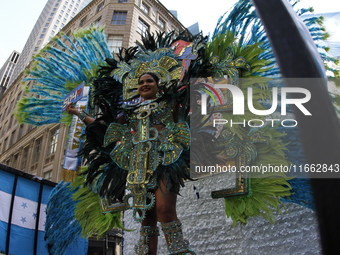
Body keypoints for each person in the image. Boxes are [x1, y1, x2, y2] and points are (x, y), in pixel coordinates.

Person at [69, 72, 194, 255]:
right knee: (146, 217)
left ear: (158, 85)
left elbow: (186, 118)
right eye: (141, 82)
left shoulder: (170, 102)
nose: (144, 84)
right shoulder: (129, 111)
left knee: (164, 210)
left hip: (166, 160)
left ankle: (179, 252)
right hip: (138, 166)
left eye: (149, 81)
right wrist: (79, 113)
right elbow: (107, 129)